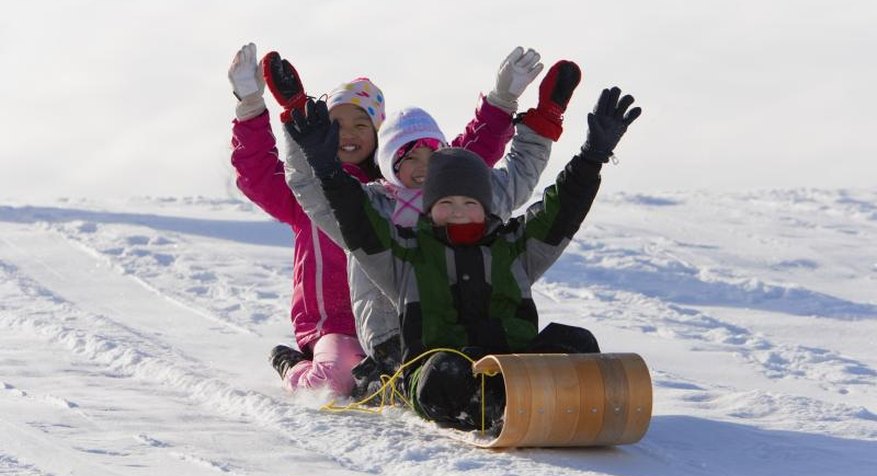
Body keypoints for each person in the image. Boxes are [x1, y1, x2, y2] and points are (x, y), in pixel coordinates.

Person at [285, 86, 641, 430]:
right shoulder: (406, 255)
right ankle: (493, 408)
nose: (457, 212)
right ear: (429, 208)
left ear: (486, 207)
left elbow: (558, 213)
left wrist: (591, 158)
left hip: (510, 362)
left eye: (469, 203)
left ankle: (573, 401)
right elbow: (354, 218)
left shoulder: (512, 247)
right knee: (443, 374)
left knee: (576, 341)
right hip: (433, 363)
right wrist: (328, 171)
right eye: (445, 204)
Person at [227, 43, 542, 395]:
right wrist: (251, 105)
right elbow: (256, 172)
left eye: (361, 124)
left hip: (404, 322)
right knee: (330, 383)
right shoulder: (308, 195)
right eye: (336, 124)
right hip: (337, 327)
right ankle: (293, 364)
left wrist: (501, 100)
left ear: (380, 135)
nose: (348, 133)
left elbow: (466, 157)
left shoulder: (405, 187)